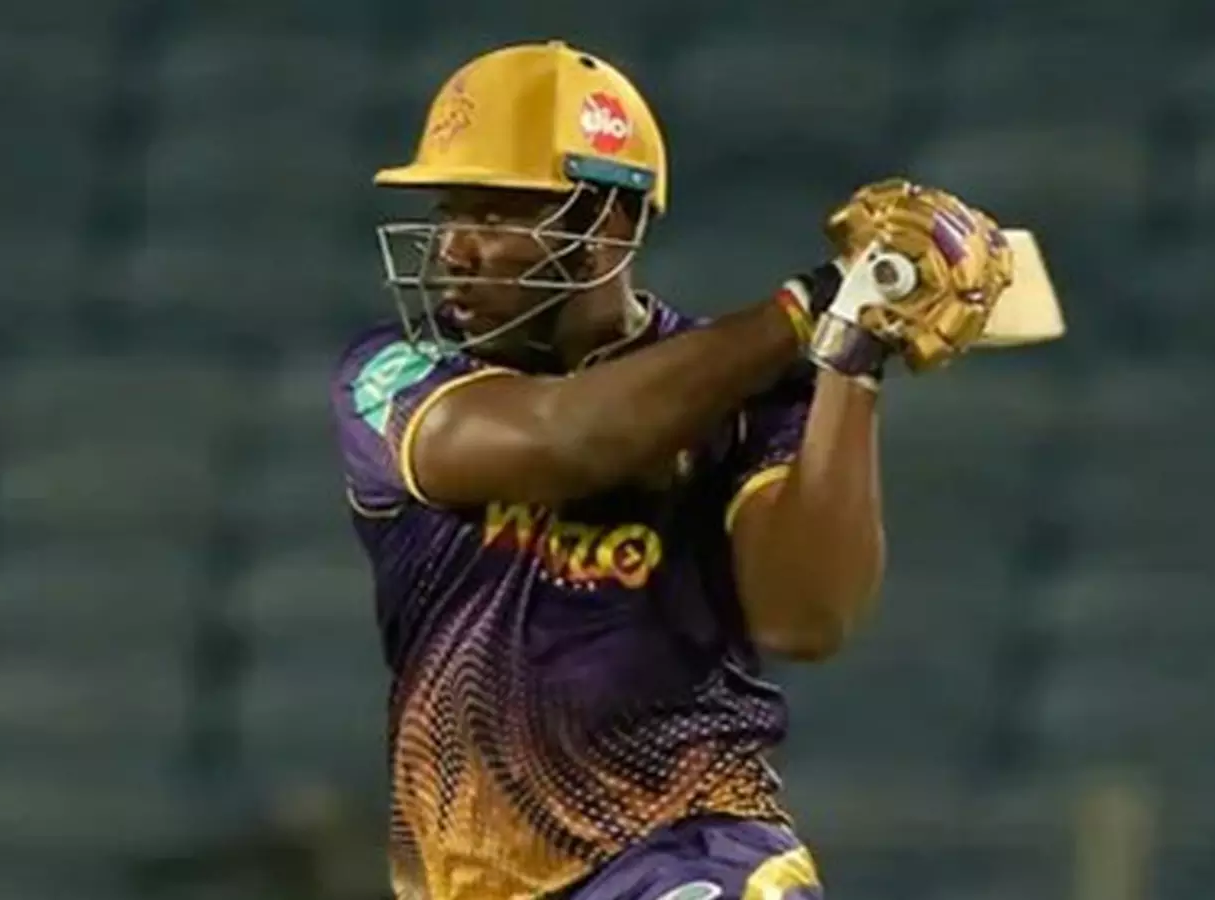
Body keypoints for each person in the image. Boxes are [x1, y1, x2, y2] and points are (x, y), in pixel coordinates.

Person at [329, 39, 1012, 900]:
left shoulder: (747, 388)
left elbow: (807, 618)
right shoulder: (391, 376)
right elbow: (562, 439)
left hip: (688, 851)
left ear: (605, 225)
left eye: (494, 216)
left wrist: (853, 353)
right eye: (449, 213)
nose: (452, 251)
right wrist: (812, 303)